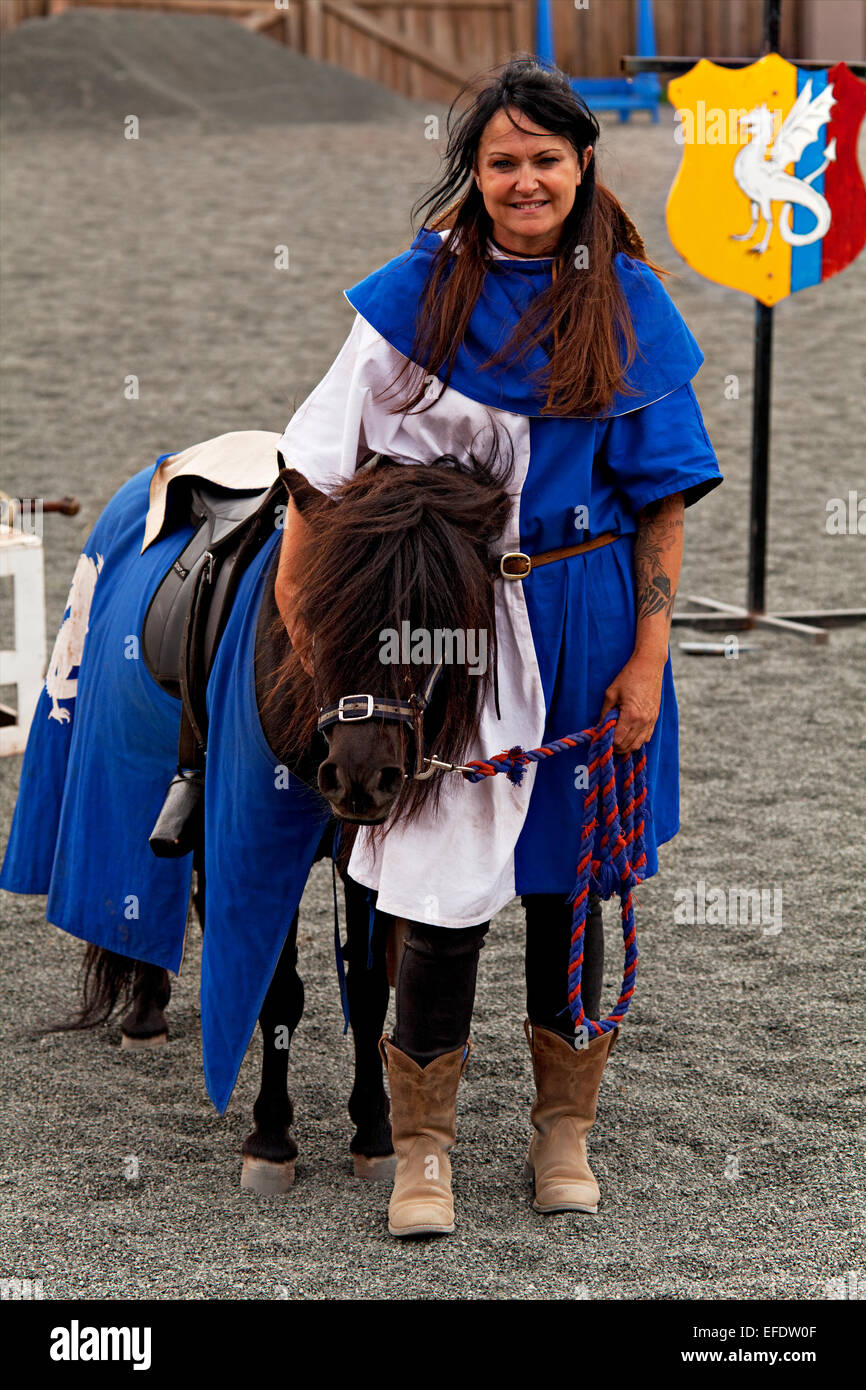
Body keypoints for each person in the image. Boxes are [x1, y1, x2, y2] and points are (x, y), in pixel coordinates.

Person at [274, 56, 722, 1237]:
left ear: (581, 169)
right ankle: (423, 1150)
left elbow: (663, 501)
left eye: (546, 160)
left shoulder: (624, 300)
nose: (525, 180)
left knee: (574, 885)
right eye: (502, 161)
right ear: (471, 176)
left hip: (585, 622)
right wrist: (318, 624)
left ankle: (561, 1130)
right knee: (436, 892)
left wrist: (647, 657)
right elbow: (317, 464)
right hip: (444, 636)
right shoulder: (414, 300)